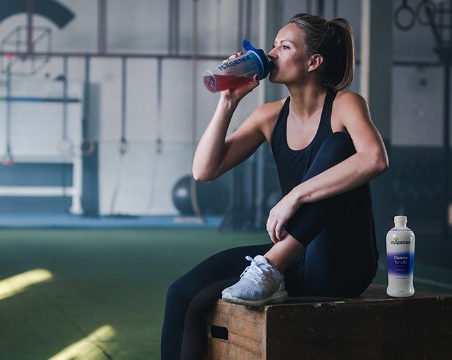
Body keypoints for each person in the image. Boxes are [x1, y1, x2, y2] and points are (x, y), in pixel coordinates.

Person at [161, 13, 388, 359]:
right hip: (296, 259)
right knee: (182, 294)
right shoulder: (269, 116)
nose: (271, 54)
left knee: (343, 147)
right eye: (273, 45)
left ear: (313, 62)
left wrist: (295, 194)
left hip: (344, 262)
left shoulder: (345, 105)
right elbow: (203, 171)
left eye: (284, 46)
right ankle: (271, 268)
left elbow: (375, 159)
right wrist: (228, 101)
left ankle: (270, 267)